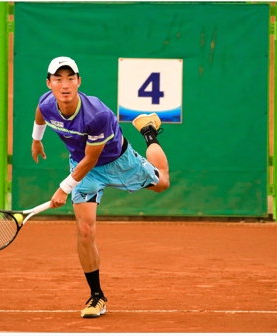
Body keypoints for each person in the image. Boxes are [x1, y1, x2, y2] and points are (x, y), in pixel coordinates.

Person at [30, 56, 170, 318]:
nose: (65, 85)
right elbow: (40, 114)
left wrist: (64, 188)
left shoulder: (98, 115)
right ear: (49, 83)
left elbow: (91, 158)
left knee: (162, 182)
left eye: (70, 78)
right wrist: (36, 140)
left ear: (79, 81)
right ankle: (97, 296)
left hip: (118, 161)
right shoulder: (46, 103)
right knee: (85, 229)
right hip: (85, 171)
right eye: (58, 79)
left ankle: (149, 131)